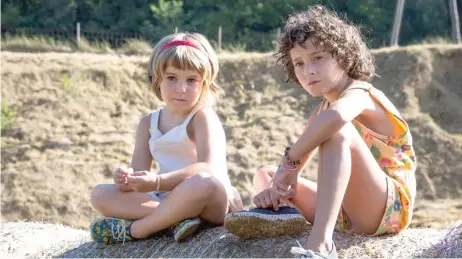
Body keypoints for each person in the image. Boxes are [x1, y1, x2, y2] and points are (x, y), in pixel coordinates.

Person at [224, 5, 417, 258]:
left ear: (344, 56)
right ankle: (281, 215)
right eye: (299, 63)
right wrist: (277, 186)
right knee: (265, 174)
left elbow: (335, 119)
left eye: (318, 58)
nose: (308, 70)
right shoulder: (323, 110)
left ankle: (321, 245)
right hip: (348, 212)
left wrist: (288, 163)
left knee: (336, 131)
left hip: (386, 209)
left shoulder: (362, 94)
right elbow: (295, 164)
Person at [90, 32, 243, 245]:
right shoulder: (148, 123)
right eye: (172, 78)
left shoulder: (201, 116)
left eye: (191, 80)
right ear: (157, 79)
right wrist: (127, 179)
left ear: (205, 83)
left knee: (203, 182)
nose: (181, 88)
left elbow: (207, 168)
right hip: (165, 198)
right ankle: (174, 220)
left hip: (209, 200)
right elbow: (138, 174)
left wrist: (158, 181)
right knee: (100, 194)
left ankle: (138, 229)